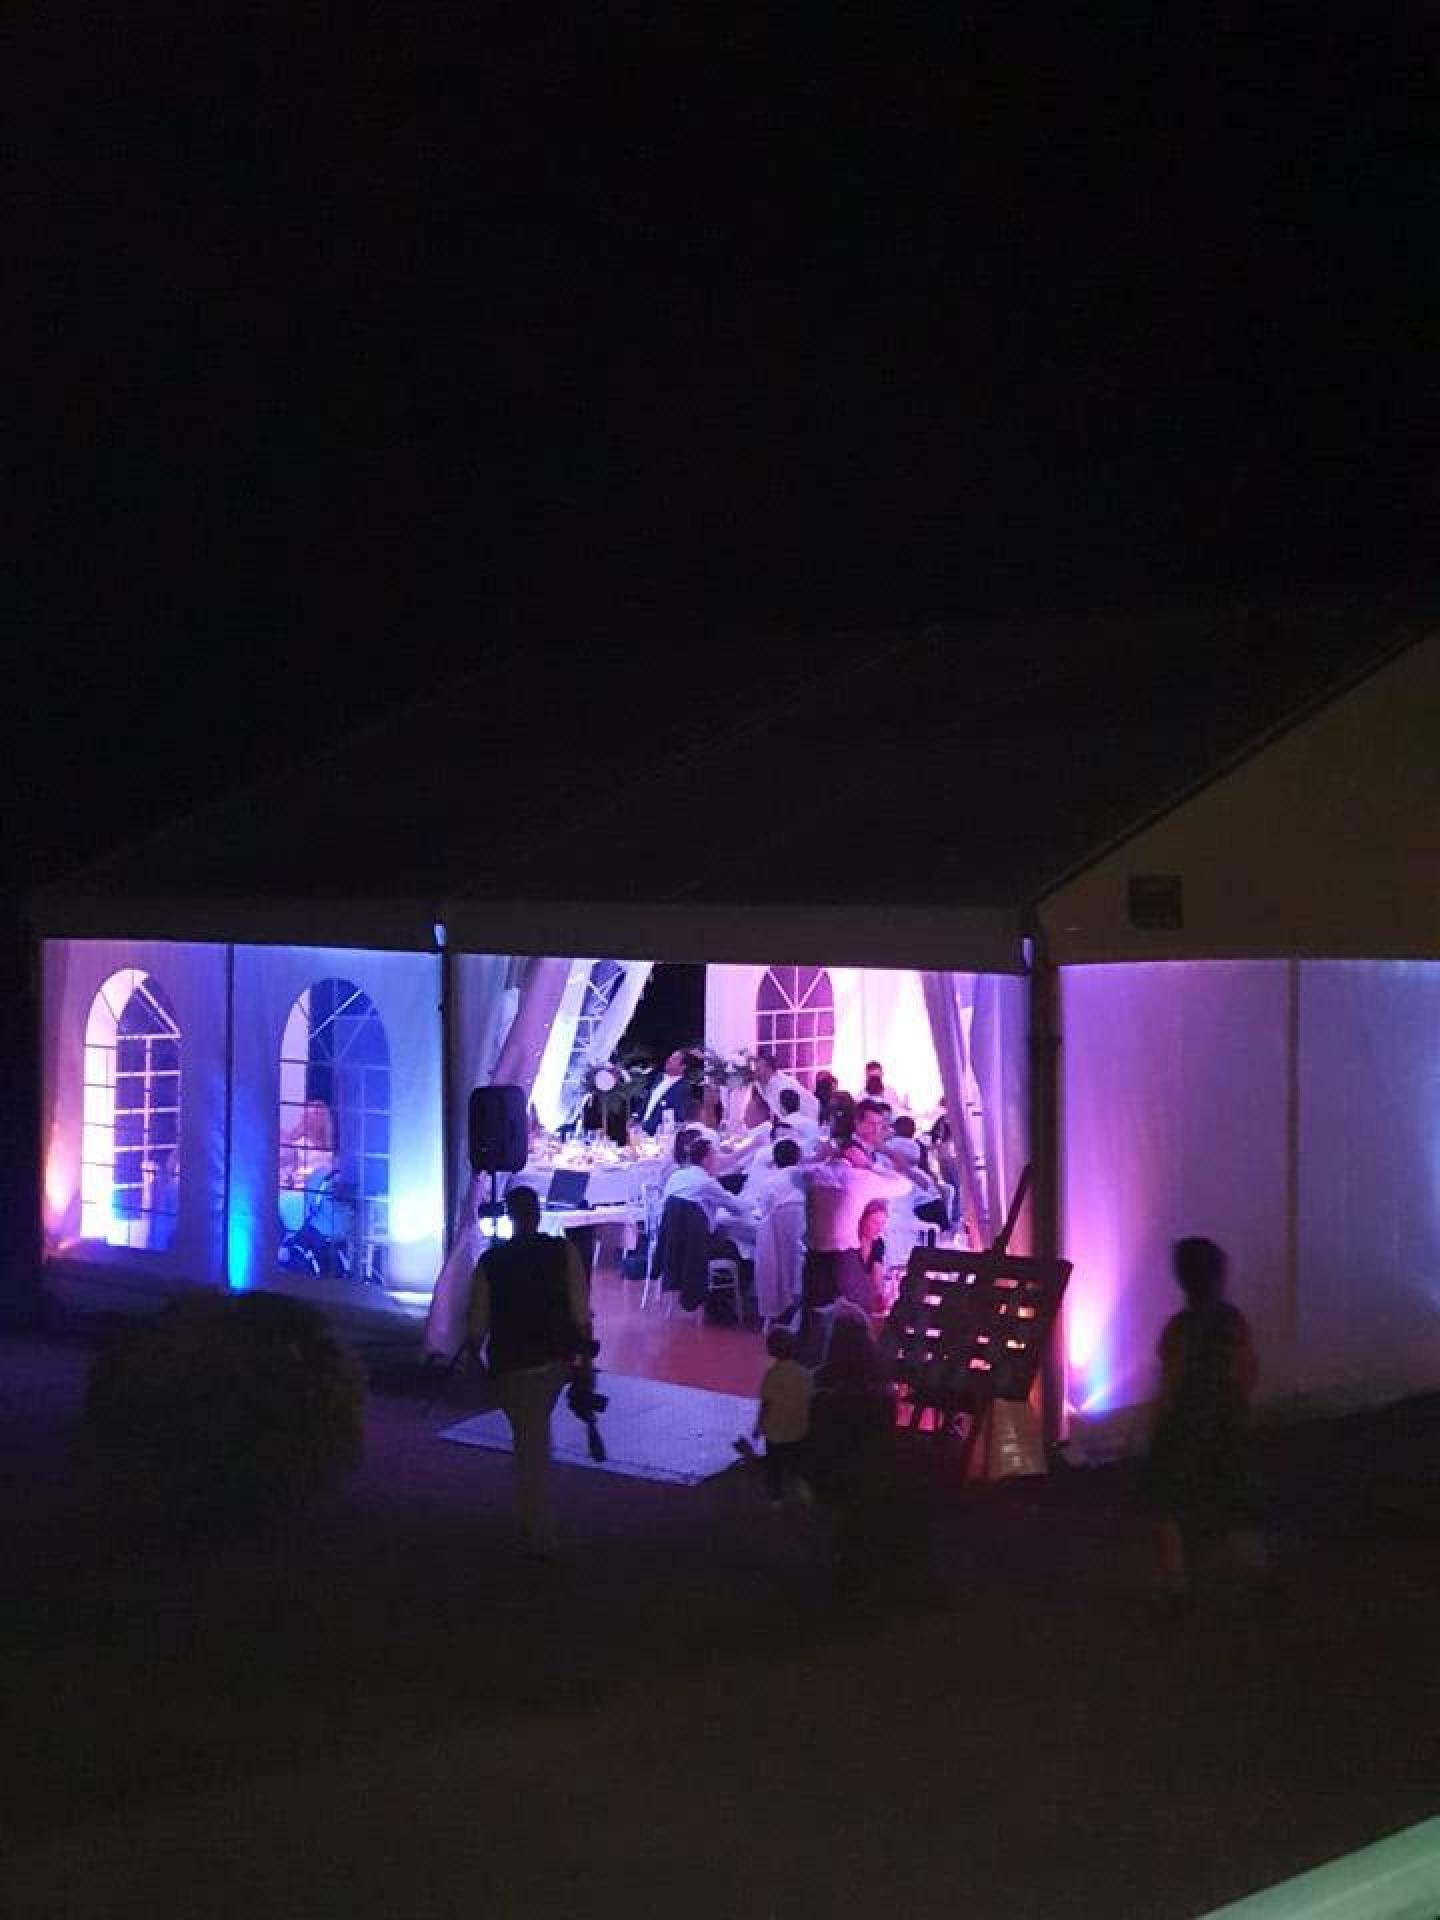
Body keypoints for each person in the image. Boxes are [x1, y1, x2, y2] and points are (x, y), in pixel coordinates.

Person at [467, 1184, 592, 1557]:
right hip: (553, 1359)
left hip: (512, 1365)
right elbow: (580, 1314)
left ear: (509, 1216)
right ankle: (537, 1530)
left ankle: (535, 1529)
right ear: (537, 1214)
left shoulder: (491, 1263)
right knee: (534, 1443)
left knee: (529, 1443)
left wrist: (478, 1368)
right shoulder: (562, 1252)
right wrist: (585, 1365)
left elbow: (477, 1327)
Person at [1145, 1236, 1266, 1611]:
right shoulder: (1231, 1321)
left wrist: (1155, 1422)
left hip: (1186, 1426)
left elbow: (1171, 1380)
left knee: (1166, 1505)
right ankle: (1257, 1575)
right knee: (1236, 1502)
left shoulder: (1180, 1328)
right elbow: (1249, 1367)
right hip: (1226, 1422)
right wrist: (1239, 1404)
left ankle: (1177, 1587)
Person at [753, 1324, 812, 1506]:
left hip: (775, 1432)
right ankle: (802, 1492)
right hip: (798, 1430)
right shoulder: (805, 1374)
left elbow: (766, 1404)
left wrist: (758, 1426)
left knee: (773, 1466)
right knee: (796, 1462)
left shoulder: (771, 1375)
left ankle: (776, 1498)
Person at [751, 1137, 807, 1322]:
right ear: (798, 1157)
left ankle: (775, 1312)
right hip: (806, 1239)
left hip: (775, 1242)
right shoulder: (807, 1180)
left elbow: (763, 1210)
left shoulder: (770, 1183)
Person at [744, 1051, 819, 1128]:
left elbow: (795, 1114)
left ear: (768, 1069)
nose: (755, 1072)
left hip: (810, 1119)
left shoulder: (783, 1087)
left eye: (758, 1069)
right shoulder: (762, 1082)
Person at [640, 1048, 698, 1135]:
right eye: (670, 1057)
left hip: (657, 1135)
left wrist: (650, 1129)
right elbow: (648, 1100)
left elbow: (677, 1117)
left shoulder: (684, 1089)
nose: (669, 1060)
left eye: (674, 1059)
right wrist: (636, 1116)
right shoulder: (659, 1077)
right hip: (641, 1129)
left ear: (683, 1067)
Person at [855, 1199, 889, 1314]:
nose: (880, 1229)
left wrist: (880, 1295)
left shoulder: (878, 1243)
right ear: (861, 1220)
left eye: (882, 1224)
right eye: (875, 1223)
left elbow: (877, 1271)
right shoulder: (850, 1244)